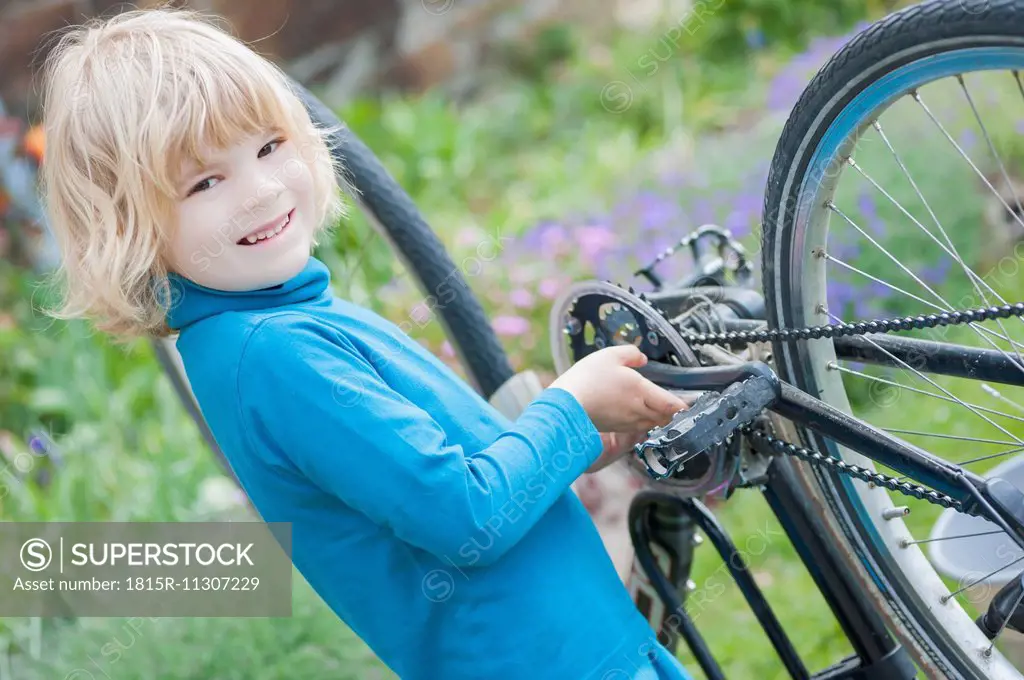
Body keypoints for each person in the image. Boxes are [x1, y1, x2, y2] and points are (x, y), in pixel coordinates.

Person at [36, 7, 694, 680]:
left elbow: (434, 480)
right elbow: (467, 518)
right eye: (205, 182)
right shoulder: (275, 357)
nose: (261, 191)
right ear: (130, 227)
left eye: (268, 147)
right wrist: (569, 411)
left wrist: (570, 446)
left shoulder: (276, 324)